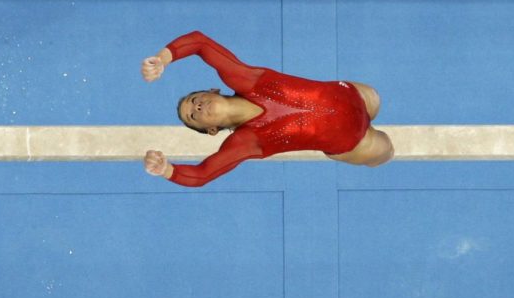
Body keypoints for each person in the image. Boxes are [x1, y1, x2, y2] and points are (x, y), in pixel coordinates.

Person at [140, 30, 394, 187]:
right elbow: (202, 175)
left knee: (377, 98)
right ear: (212, 130)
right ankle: (383, 152)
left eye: (195, 99)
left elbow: (199, 43)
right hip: (354, 141)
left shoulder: (248, 80)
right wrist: (166, 170)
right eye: (193, 115)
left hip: (355, 95)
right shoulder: (245, 142)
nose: (197, 107)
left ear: (213, 91)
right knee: (387, 151)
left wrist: (163, 59)